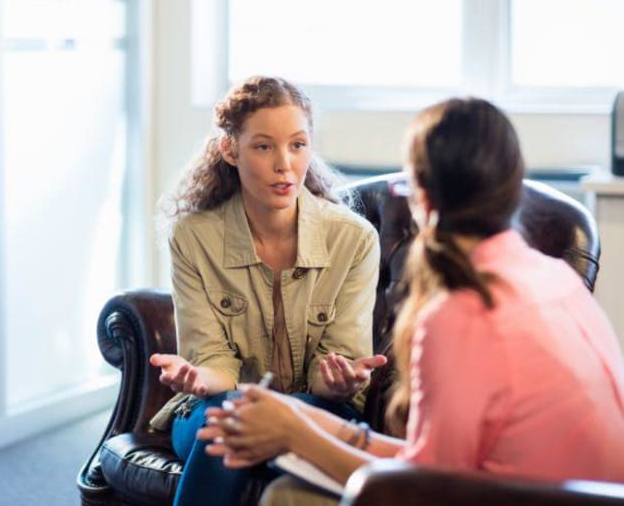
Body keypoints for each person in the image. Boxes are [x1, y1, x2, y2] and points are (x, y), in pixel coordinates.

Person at [199, 97, 624, 505]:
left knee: (286, 496)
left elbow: (423, 489)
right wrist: (300, 417)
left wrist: (295, 435)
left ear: (423, 198)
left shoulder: (459, 315)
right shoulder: (553, 277)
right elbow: (431, 461)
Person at [148, 76, 386, 506]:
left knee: (258, 429)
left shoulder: (355, 239)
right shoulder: (193, 236)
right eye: (263, 146)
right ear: (230, 150)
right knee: (229, 418)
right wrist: (198, 377)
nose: (285, 164)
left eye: (297, 145)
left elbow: (333, 370)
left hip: (318, 407)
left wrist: (339, 380)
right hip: (215, 405)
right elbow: (214, 362)